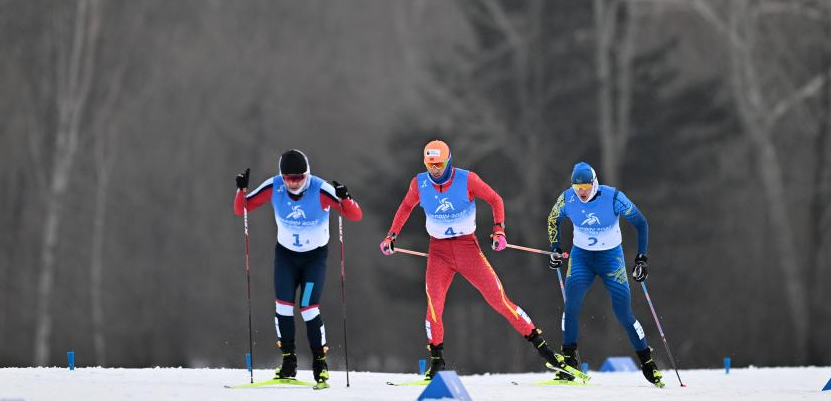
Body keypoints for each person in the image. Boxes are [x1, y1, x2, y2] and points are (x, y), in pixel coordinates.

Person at [380, 139, 580, 381]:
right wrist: (391, 236)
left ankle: (548, 353)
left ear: (448, 161)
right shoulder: (419, 183)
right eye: (430, 165)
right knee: (434, 304)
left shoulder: (467, 179)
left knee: (499, 300)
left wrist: (499, 230)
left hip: (468, 249)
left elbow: (496, 200)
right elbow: (405, 208)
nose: (435, 170)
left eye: (439, 165)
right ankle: (437, 363)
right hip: (438, 252)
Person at [234, 149, 362, 386]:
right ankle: (288, 362)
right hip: (286, 257)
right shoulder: (274, 187)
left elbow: (354, 215)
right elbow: (242, 208)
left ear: (307, 174)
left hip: (314, 259)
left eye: (299, 178)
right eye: (288, 178)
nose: (294, 183)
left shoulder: (320, 189)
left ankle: (320, 363)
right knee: (283, 306)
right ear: (282, 176)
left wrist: (345, 198)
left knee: (308, 308)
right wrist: (240, 190)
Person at [546, 161, 664, 387]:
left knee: (623, 312)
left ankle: (647, 361)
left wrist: (641, 258)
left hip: (611, 260)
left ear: (595, 183)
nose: (581, 192)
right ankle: (569, 361)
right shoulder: (567, 199)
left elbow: (641, 223)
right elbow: (553, 219)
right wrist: (555, 248)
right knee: (571, 305)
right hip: (581, 259)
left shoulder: (613, 197)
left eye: (585, 187)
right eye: (577, 187)